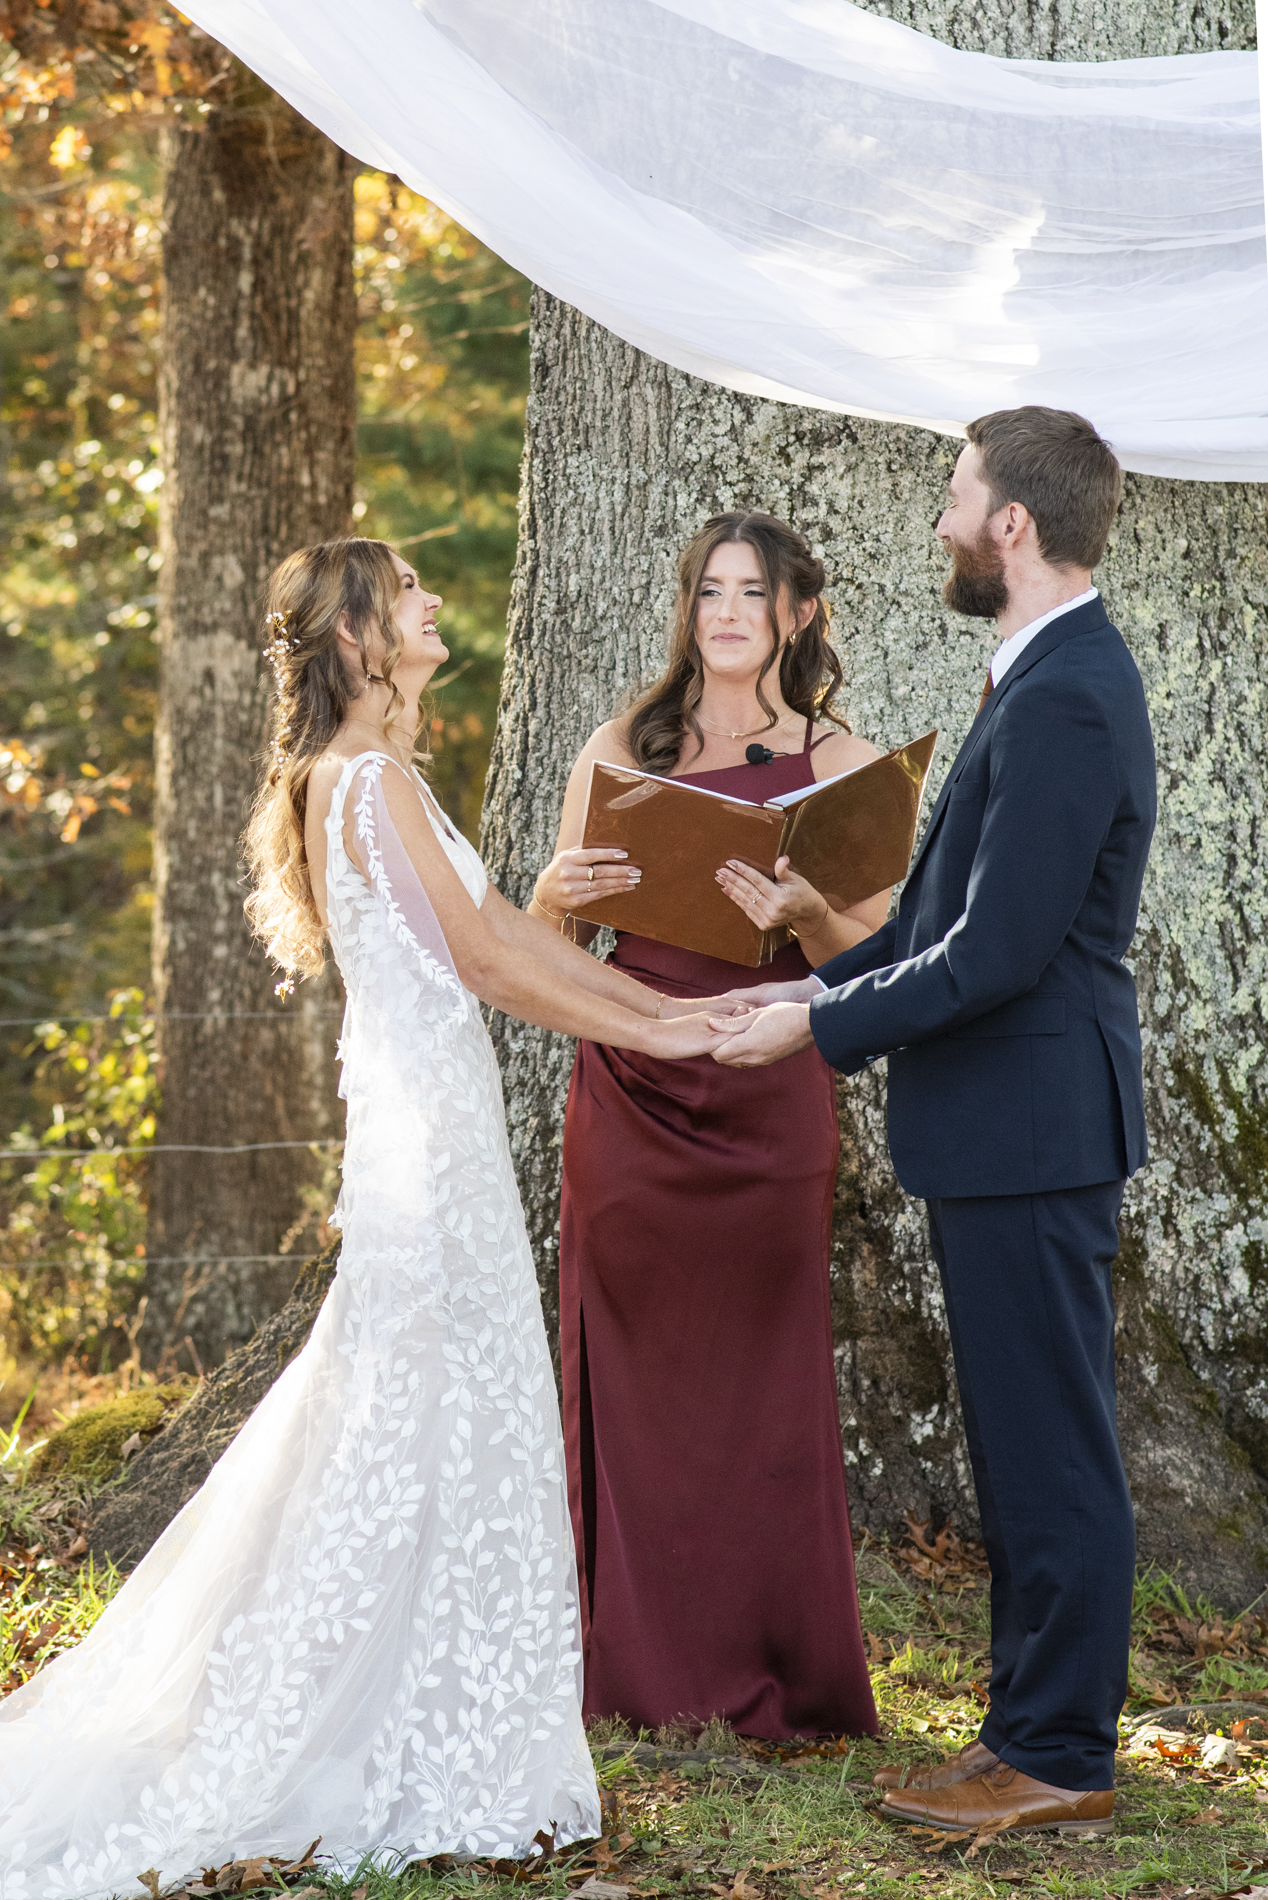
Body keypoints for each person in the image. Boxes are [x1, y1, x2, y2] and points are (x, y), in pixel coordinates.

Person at [0, 537, 727, 1893]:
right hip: (427, 1160)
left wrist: (667, 1009)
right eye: (407, 595)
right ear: (356, 640)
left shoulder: (359, 782)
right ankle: (375, 1739)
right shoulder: (372, 778)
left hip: (421, 1144)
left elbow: (507, 934)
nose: (433, 604)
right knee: (404, 1429)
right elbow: (494, 961)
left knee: (409, 1431)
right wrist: (681, 1033)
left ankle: (432, 1726)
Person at [712, 410, 1155, 1835]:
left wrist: (813, 1024)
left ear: (1012, 525)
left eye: (959, 497)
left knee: (1051, 1450)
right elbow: (949, 925)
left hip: (1033, 1125)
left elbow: (1001, 954)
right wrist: (811, 983)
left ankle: (1063, 1758)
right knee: (1019, 1443)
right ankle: (1023, 1728)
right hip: (1004, 1126)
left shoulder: (1072, 692)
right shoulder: (1036, 680)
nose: (947, 522)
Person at [529, 510, 885, 1741]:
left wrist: (808, 908)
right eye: (707, 592)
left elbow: (883, 961)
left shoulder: (843, 766)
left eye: (751, 593)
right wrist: (547, 895)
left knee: (760, 1387)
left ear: (796, 614)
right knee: (631, 1382)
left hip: (769, 1087)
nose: (726, 613)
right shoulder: (625, 745)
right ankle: (633, 1673)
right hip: (631, 1085)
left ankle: (778, 1667)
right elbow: (541, 949)